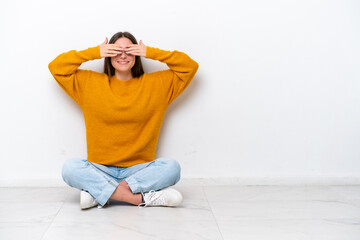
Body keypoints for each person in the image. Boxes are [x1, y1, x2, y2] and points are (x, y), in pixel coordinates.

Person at [48, 31, 199, 210]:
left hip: (139, 169)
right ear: (108, 54)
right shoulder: (89, 83)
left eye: (129, 50)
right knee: (69, 168)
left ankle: (99, 193)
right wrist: (95, 52)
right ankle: (138, 199)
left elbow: (190, 66)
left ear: (137, 54)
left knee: (172, 168)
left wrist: (150, 51)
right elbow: (56, 66)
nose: (123, 55)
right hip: (99, 168)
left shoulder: (157, 85)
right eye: (116, 50)